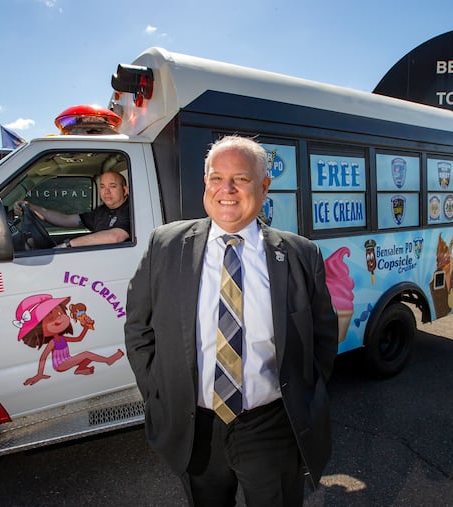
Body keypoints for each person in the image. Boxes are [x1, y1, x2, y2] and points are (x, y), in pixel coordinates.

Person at [124, 135, 338, 506]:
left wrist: (306, 399)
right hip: (196, 427)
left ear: (264, 186)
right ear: (205, 183)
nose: (227, 189)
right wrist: (159, 394)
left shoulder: (301, 255)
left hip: (271, 425)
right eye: (216, 178)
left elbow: (322, 338)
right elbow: (139, 328)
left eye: (240, 178)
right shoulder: (166, 245)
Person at [14, 170, 130, 247]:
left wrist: (68, 245)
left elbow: (115, 236)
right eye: (102, 186)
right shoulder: (102, 211)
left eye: (112, 186)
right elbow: (66, 219)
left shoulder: (131, 210)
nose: (106, 191)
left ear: (125, 190)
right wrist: (32, 207)